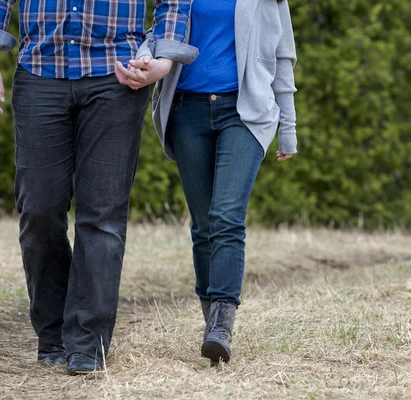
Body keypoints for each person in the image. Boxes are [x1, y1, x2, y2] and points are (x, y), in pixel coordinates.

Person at [0, 0, 197, 375]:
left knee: (102, 215)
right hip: (39, 70)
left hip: (117, 75)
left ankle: (87, 342)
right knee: (38, 209)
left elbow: (174, 3)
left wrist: (164, 60)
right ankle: (52, 335)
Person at [115, 0, 297, 364]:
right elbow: (159, 34)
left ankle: (221, 322)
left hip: (243, 112)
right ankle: (210, 313)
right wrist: (145, 57)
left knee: (226, 216)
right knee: (203, 225)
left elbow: (282, 55)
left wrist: (288, 128)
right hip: (187, 111)